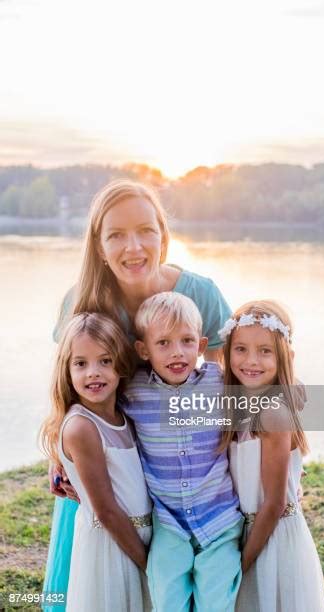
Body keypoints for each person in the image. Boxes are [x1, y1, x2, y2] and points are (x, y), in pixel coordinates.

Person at [43, 179, 231, 609]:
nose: (134, 246)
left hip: (186, 475)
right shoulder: (82, 302)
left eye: (146, 230)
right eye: (116, 234)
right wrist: (58, 450)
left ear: (163, 234)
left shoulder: (200, 294)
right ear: (98, 244)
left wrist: (273, 455)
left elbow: (232, 392)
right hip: (111, 467)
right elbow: (64, 388)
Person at [124, 292, 243, 612]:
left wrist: (293, 386)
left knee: (216, 600)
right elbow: (89, 411)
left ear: (202, 346)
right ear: (143, 350)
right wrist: (59, 459)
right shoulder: (132, 391)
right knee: (165, 596)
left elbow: (266, 388)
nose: (177, 352)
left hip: (219, 518)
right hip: (169, 522)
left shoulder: (219, 383)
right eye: (163, 343)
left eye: (187, 341)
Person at [219, 300, 324, 612]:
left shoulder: (273, 413)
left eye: (265, 351)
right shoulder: (236, 406)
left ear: (283, 356)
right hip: (246, 533)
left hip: (272, 539)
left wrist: (241, 563)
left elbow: (274, 503)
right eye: (240, 349)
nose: (251, 360)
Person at [40, 312, 152, 611]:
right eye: (81, 363)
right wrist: (149, 564)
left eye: (105, 360)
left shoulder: (124, 416)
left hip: (137, 538)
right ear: (67, 369)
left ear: (121, 365)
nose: (94, 372)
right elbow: (106, 511)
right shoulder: (82, 427)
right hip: (112, 547)